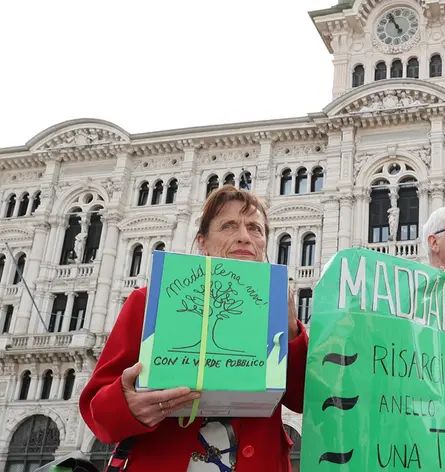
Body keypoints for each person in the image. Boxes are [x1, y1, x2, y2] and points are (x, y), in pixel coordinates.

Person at [80, 186, 308, 472]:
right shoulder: (150, 301)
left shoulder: (278, 311)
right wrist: (126, 406)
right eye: (228, 225)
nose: (244, 237)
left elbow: (303, 401)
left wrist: (291, 330)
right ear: (203, 242)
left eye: (255, 228)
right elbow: (97, 414)